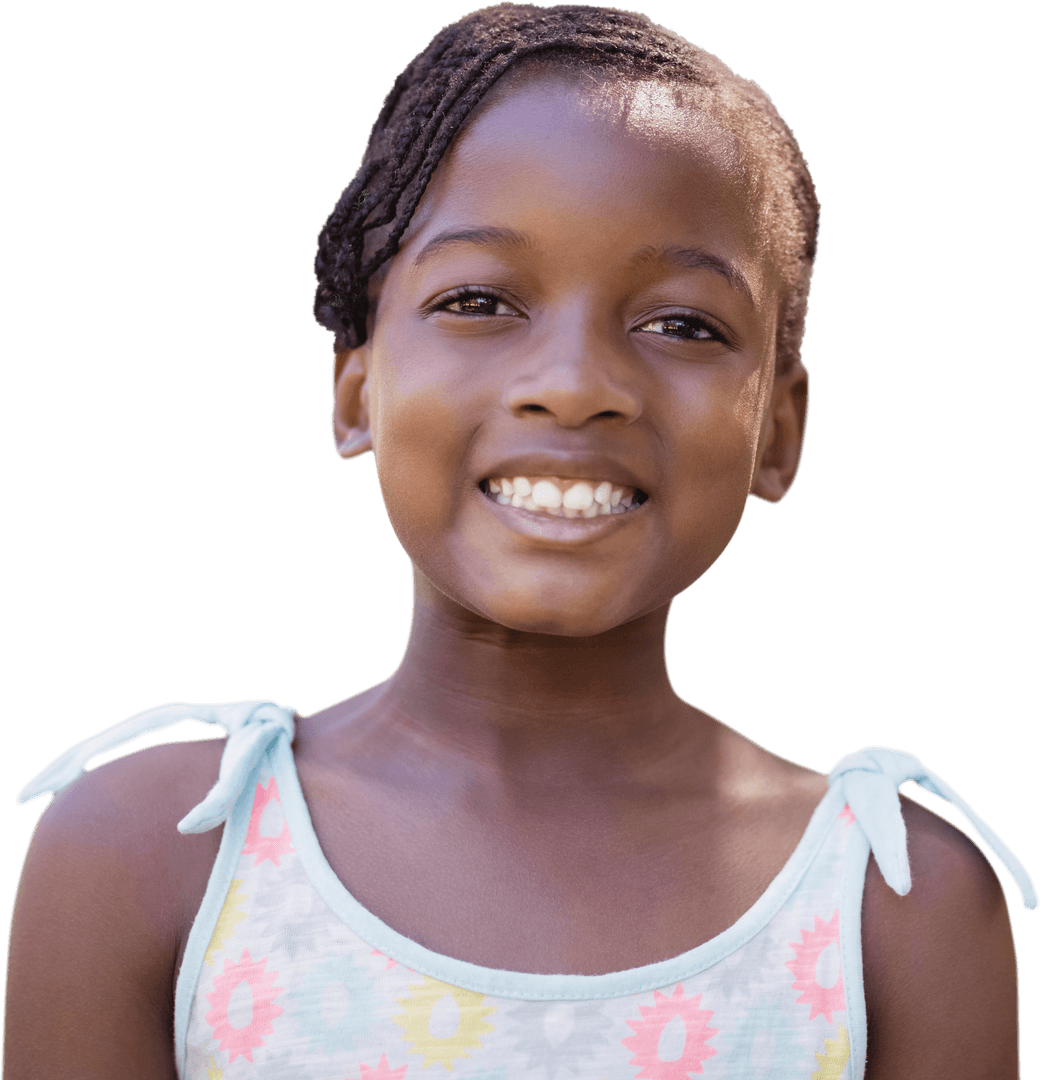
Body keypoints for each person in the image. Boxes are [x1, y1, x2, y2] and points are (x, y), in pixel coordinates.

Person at [4, 4, 1036, 1078]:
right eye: (481, 300)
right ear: (358, 393)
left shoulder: (892, 900)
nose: (576, 387)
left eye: (682, 323)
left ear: (777, 431)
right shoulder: (156, 852)